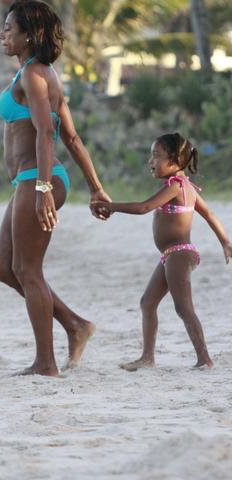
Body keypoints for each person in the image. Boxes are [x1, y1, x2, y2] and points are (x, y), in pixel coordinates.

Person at [0, 0, 111, 377]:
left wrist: (43, 188)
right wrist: (96, 188)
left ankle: (46, 363)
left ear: (28, 34)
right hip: (30, 180)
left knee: (28, 270)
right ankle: (75, 324)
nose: (2, 34)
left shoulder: (34, 74)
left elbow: (47, 132)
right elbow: (72, 137)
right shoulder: (37, 73)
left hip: (37, 180)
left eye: (9, 29)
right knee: (4, 268)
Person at [91, 132, 232, 370]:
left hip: (179, 253)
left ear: (176, 160)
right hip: (171, 255)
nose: (151, 161)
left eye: (157, 155)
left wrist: (111, 206)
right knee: (148, 302)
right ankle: (147, 358)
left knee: (183, 307)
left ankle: (204, 359)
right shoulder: (187, 187)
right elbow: (209, 215)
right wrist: (225, 242)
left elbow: (144, 207)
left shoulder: (176, 186)